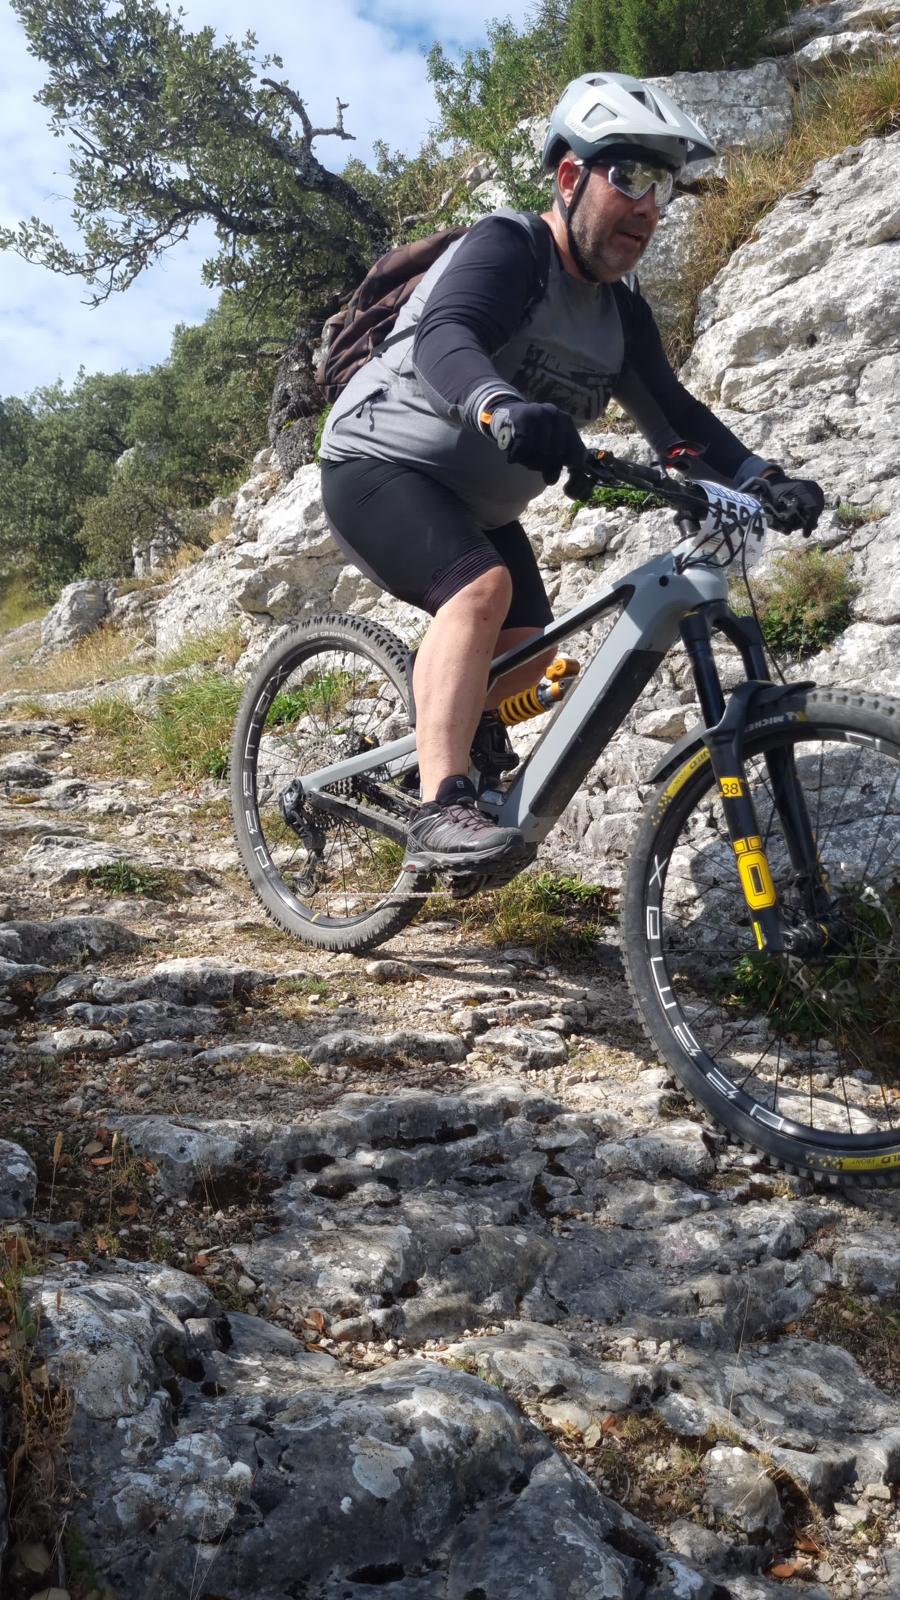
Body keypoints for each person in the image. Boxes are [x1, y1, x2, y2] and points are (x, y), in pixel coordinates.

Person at [318, 71, 824, 873]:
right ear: (568, 177)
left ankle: (444, 732)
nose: (649, 206)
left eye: (663, 185)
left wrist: (761, 477)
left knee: (528, 653)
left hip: (479, 506)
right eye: (630, 175)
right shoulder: (510, 248)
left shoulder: (621, 315)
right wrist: (498, 405)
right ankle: (440, 806)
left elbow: (677, 421)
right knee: (480, 591)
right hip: (378, 461)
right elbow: (447, 336)